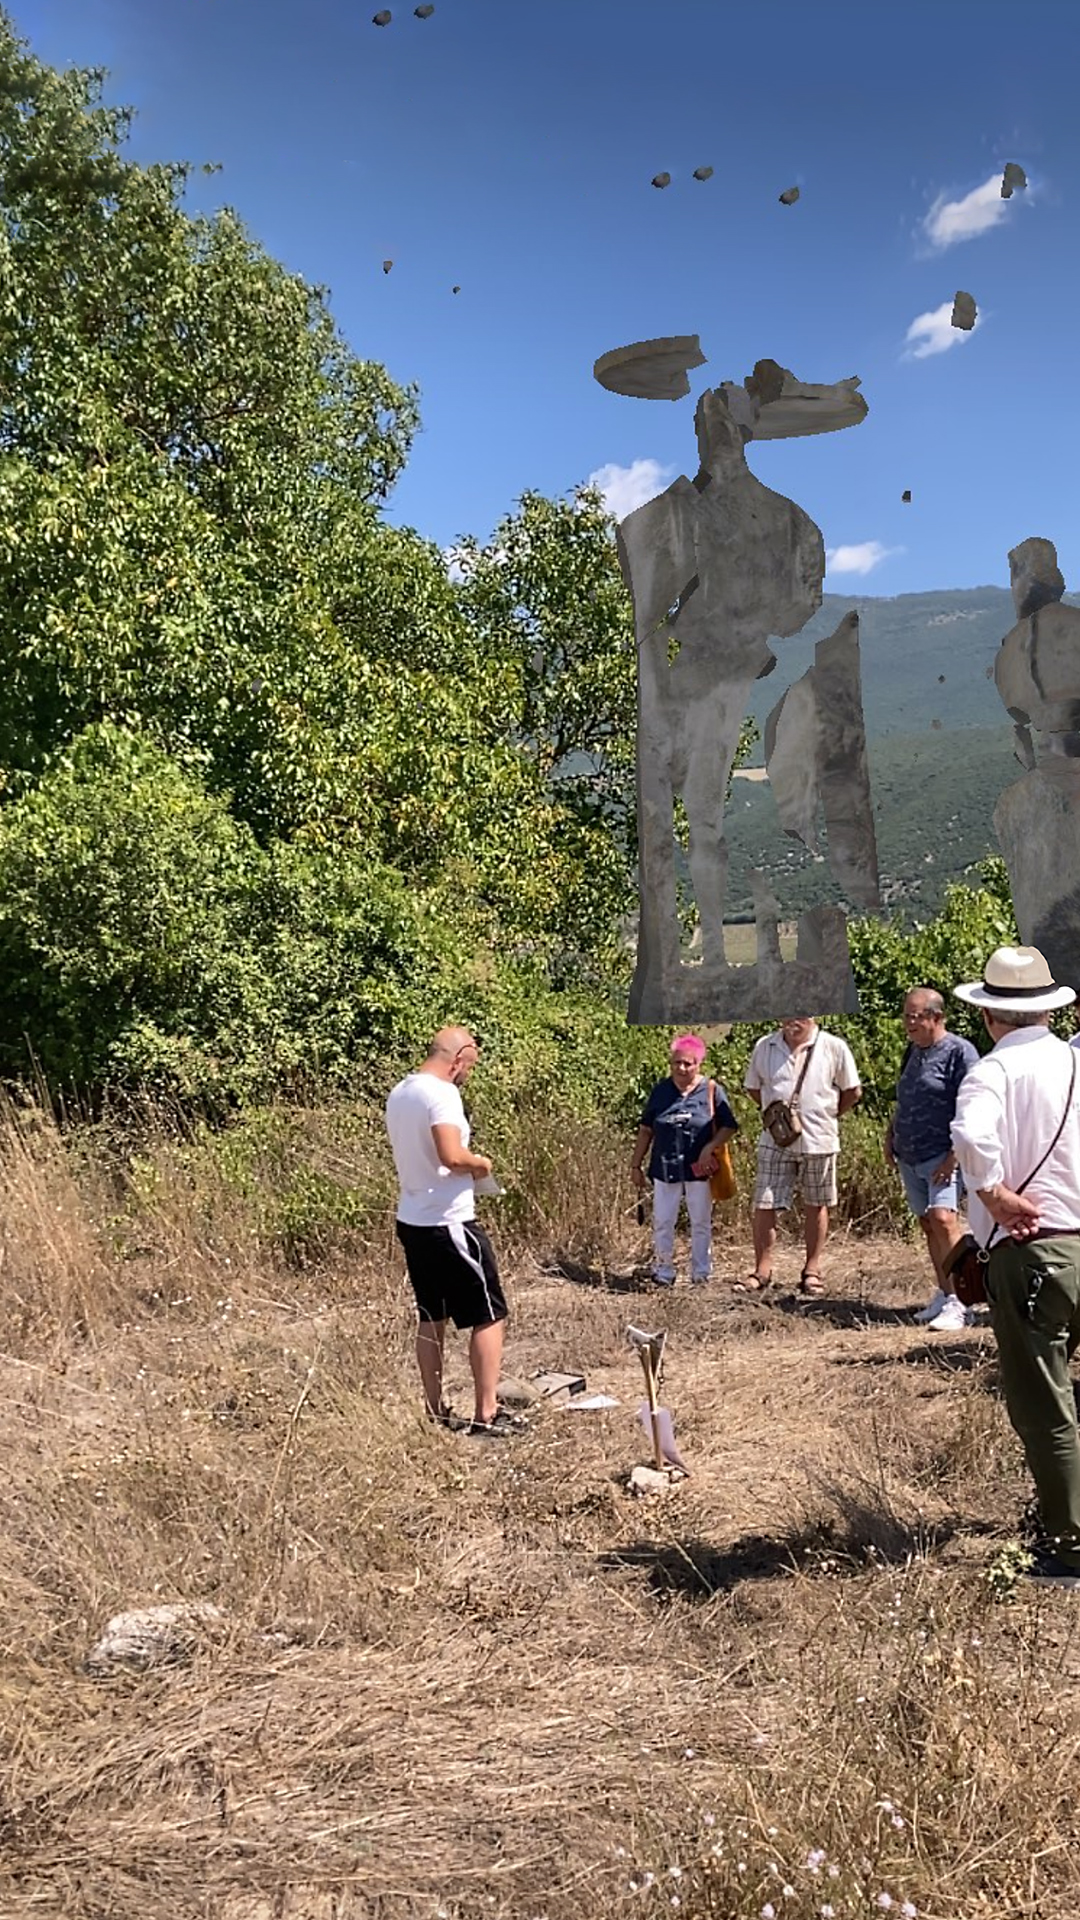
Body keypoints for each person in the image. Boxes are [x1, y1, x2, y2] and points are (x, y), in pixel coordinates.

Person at [950, 946, 1080, 1588]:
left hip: (1032, 1252)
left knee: (1044, 1407)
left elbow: (973, 1138)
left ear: (991, 1013)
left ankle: (1071, 1549)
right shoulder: (1076, 1061)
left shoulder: (992, 1074)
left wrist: (995, 1193)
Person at [385, 1026, 521, 1439]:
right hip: (449, 1220)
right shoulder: (442, 1093)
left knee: (432, 1316)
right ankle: (487, 1413)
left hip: (413, 1219)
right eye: (469, 1067)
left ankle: (434, 1408)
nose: (467, 1075)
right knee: (489, 1313)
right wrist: (481, 1165)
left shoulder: (400, 1092)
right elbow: (450, 1154)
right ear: (458, 1057)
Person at [741, 1016, 861, 1296]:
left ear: (814, 1015)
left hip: (819, 1139)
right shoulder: (765, 1046)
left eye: (799, 1013)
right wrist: (778, 1117)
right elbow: (753, 1088)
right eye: (785, 1013)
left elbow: (852, 1091)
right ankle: (762, 1270)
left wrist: (827, 1115)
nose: (790, 1021)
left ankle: (812, 1270)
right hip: (775, 1139)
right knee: (765, 1202)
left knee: (816, 1204)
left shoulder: (834, 1046)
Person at [884, 987, 979, 1331]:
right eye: (906, 1015)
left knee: (944, 1220)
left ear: (937, 1017)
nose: (908, 1022)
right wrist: (890, 1134)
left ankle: (963, 1301)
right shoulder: (913, 1050)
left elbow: (973, 1108)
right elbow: (906, 1096)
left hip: (942, 1155)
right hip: (911, 1154)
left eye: (915, 1015)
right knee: (928, 1223)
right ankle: (945, 1291)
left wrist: (954, 1158)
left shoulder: (959, 1053)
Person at [631, 1034, 738, 1287]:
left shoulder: (711, 1090)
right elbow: (646, 1130)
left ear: (698, 1064)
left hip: (698, 1169)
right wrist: (635, 1165)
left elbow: (729, 1125)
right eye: (677, 1063)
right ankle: (663, 1272)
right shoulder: (661, 1091)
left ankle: (701, 1274)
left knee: (700, 1222)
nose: (681, 1068)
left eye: (688, 1063)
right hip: (665, 1167)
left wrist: (711, 1147)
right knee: (663, 1221)